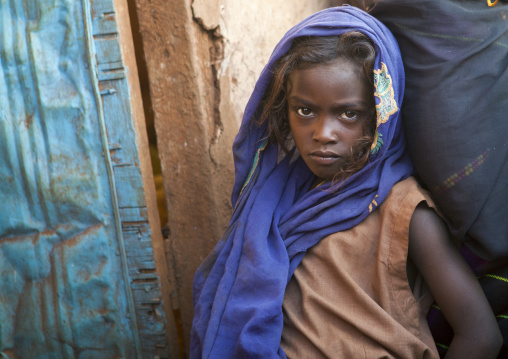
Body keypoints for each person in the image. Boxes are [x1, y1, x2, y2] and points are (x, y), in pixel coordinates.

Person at [190, 6, 502, 359]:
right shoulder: (272, 200)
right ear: (283, 109)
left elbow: (481, 336)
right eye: (304, 110)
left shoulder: (403, 210)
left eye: (349, 113)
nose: (323, 134)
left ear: (380, 116)